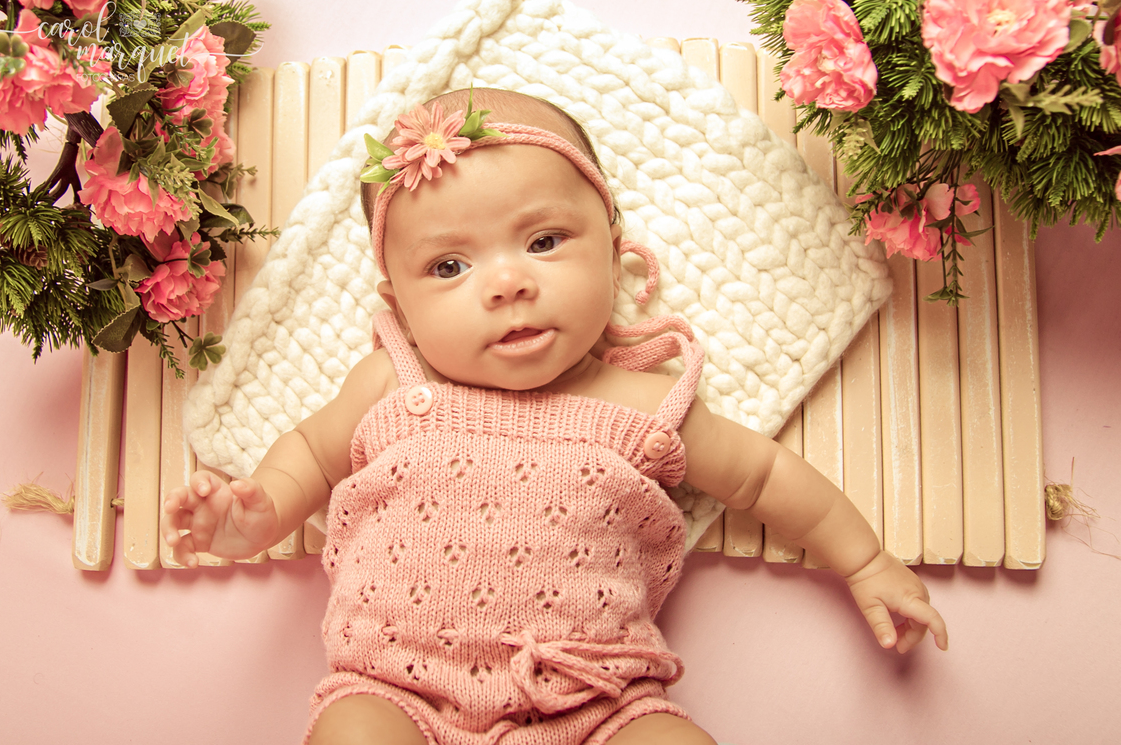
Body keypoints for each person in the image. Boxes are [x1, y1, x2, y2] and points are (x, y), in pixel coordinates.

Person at [161, 87, 948, 745]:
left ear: (613, 251)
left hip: (599, 699)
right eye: (450, 265)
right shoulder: (389, 384)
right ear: (396, 298)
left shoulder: (643, 404)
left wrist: (866, 560)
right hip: (394, 689)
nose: (506, 284)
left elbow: (768, 476)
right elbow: (306, 454)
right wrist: (257, 511)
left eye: (543, 241)